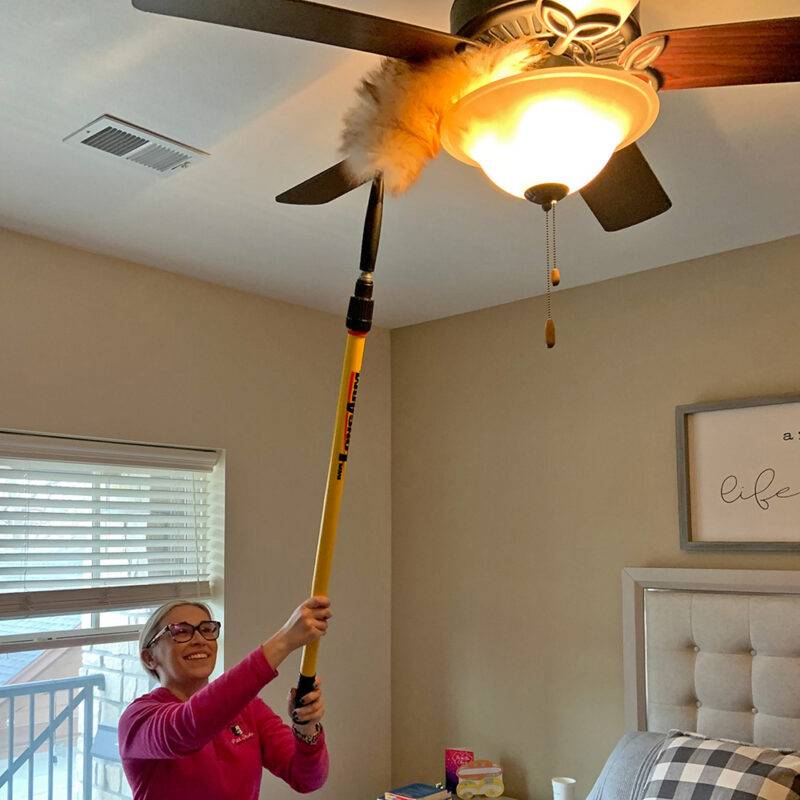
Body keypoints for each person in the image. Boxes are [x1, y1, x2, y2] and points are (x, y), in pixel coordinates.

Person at [118, 596, 332, 800]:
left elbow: (307, 779)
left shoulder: (249, 708)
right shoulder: (138, 720)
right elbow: (189, 727)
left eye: (206, 629)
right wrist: (284, 640)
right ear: (149, 658)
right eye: (181, 631)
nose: (200, 640)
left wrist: (306, 727)